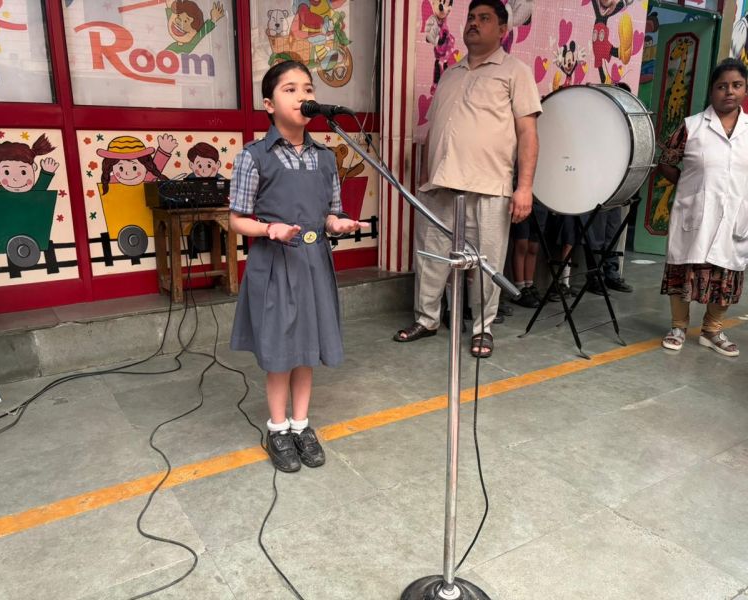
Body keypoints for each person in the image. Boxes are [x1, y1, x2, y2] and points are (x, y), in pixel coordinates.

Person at [228, 60, 368, 472]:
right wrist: (269, 230)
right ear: (269, 104)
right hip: (274, 264)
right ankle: (277, 428)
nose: (303, 96)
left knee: (307, 346)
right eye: (289, 89)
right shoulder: (254, 157)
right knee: (279, 351)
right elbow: (236, 219)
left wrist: (337, 223)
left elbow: (331, 212)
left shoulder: (325, 158)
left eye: (307, 88)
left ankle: (301, 424)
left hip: (313, 263)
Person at [394, 0, 541, 358]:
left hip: (489, 187)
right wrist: (426, 174)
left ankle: (482, 328)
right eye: (471, 17)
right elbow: (438, 129)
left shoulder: (516, 72)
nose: (474, 23)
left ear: (502, 30)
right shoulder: (451, 73)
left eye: (484, 18)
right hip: (440, 185)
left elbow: (528, 133)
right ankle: (428, 319)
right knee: (431, 258)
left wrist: (524, 187)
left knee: (486, 264)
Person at [657, 58, 748, 356]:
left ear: (745, 90)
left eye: (736, 85)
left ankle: (712, 330)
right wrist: (690, 186)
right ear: (712, 91)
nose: (729, 92)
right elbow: (666, 163)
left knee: (727, 272)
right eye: (722, 86)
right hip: (695, 212)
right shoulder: (692, 126)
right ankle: (678, 327)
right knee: (683, 269)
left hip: (736, 216)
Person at [583, 81, 636, 295]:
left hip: (618, 189)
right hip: (597, 188)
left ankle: (611, 274)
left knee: (612, 233)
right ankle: (593, 277)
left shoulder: (629, 126)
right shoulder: (598, 125)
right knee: (595, 236)